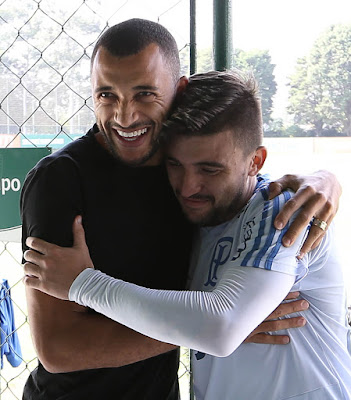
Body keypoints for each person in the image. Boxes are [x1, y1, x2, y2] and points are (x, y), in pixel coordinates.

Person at [21, 19, 342, 400]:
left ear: (178, 89)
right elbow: (59, 348)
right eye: (107, 95)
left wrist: (325, 178)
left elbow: (242, 173)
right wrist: (204, 329)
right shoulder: (61, 178)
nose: (125, 116)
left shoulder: (180, 171)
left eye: (144, 94)